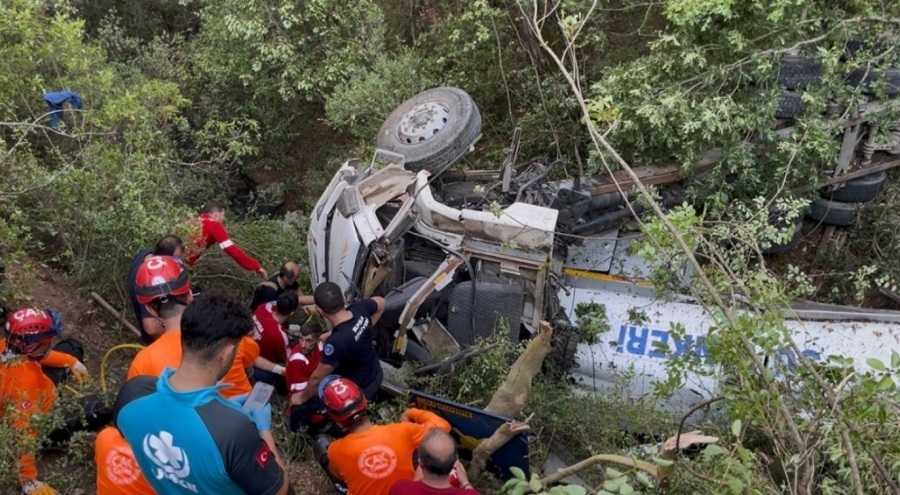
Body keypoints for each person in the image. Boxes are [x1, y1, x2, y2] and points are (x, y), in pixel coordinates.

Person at [114, 294, 290, 494]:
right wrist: (263, 429)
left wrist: (216, 414)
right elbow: (279, 490)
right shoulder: (234, 431)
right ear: (226, 353)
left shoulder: (132, 394)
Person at [1, 308, 110, 495]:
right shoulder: (24, 387)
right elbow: (24, 434)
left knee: (71, 347)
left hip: (39, 389)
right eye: (46, 341)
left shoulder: (8, 346)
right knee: (103, 405)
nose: (50, 344)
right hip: (43, 420)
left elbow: (42, 355)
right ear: (32, 346)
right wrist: (29, 480)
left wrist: (70, 361)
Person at [317, 377, 451, 495]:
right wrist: (411, 412)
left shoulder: (335, 450)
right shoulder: (403, 431)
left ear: (337, 421)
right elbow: (443, 427)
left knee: (320, 444)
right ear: (365, 402)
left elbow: (338, 475)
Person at [294, 282, 385, 408]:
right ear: (342, 297)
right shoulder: (360, 308)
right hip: (375, 371)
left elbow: (316, 378)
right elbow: (381, 302)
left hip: (359, 388)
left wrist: (301, 398)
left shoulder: (336, 343)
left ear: (320, 310)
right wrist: (366, 330)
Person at [184, 201, 267, 279]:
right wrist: (256, 267)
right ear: (216, 214)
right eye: (223, 215)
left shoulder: (191, 221)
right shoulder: (214, 225)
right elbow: (231, 250)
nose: (223, 219)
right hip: (183, 264)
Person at [126, 235, 185, 343]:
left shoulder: (146, 254)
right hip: (161, 343)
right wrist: (180, 342)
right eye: (177, 260)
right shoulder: (152, 282)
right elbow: (151, 327)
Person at [390, 429, 480, 494]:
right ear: (455, 464)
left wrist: (415, 483)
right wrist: (465, 484)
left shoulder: (400, 489)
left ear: (420, 462)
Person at [251, 292, 298, 393]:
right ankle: (282, 392)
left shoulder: (262, 307)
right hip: (263, 363)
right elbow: (289, 359)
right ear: (292, 313)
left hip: (249, 349)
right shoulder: (279, 336)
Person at [286, 322, 328, 432]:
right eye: (301, 339)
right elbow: (299, 396)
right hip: (306, 395)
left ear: (317, 340)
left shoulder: (320, 347)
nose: (303, 344)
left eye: (309, 340)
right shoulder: (297, 360)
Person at [250, 262, 315, 311]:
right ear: (287, 278)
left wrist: (306, 306)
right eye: (295, 278)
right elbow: (269, 312)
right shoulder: (270, 292)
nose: (296, 280)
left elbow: (297, 289)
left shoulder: (285, 280)